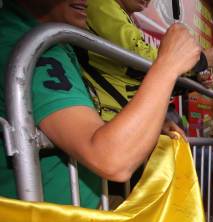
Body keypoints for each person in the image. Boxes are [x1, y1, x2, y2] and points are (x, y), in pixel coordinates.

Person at [0, 0, 200, 207]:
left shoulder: (49, 41)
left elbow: (76, 127)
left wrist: (146, 125)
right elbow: (112, 159)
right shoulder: (24, 46)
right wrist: (167, 65)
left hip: (69, 219)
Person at [81, 0, 213, 123]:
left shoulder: (123, 15)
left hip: (123, 115)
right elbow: (139, 59)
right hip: (109, 117)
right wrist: (198, 60)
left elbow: (153, 75)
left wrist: (195, 79)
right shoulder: (101, 5)